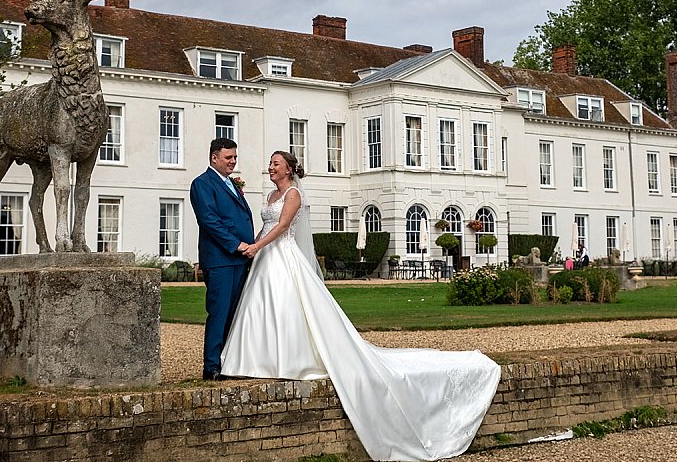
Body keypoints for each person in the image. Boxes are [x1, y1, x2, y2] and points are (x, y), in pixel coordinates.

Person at [221, 151, 501, 461]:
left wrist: (258, 245)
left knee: (288, 310)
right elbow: (266, 226)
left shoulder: (293, 193)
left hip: (283, 258)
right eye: (270, 162)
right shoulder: (272, 192)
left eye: (275, 163)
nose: (270, 167)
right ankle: (256, 359)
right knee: (261, 310)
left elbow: (283, 226)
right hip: (267, 260)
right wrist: (254, 249)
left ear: (288, 169)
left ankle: (290, 359)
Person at [190, 138, 254, 381]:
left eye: (235, 157)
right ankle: (212, 367)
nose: (233, 161)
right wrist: (236, 244)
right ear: (214, 157)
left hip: (240, 259)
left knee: (234, 314)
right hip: (220, 260)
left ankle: (229, 362)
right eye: (228, 157)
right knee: (219, 312)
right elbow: (209, 221)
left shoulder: (232, 184)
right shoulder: (202, 184)